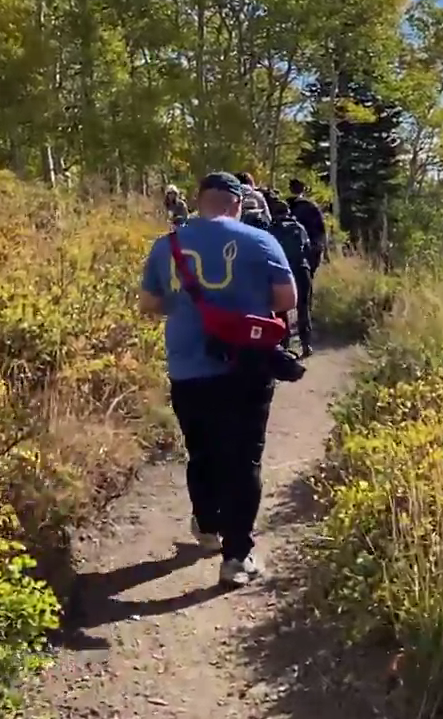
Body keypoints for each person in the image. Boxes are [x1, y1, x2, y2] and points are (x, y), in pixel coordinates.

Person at [138, 172, 297, 584]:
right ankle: (237, 557)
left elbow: (149, 303)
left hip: (188, 366)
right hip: (246, 368)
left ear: (200, 201)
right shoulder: (259, 240)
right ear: (236, 203)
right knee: (244, 458)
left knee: (202, 451)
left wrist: (187, 305)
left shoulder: (167, 244)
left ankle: (207, 526)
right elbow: (287, 300)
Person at [267, 197, 314, 356]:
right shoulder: (299, 227)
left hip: (282, 271)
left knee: (281, 309)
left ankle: (284, 344)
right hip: (301, 269)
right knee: (303, 307)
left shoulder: (271, 229)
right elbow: (308, 249)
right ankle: (306, 344)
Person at [286, 178, 328, 271]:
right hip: (311, 247)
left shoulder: (286, 206)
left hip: (291, 249)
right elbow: (321, 229)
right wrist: (325, 250)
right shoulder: (312, 206)